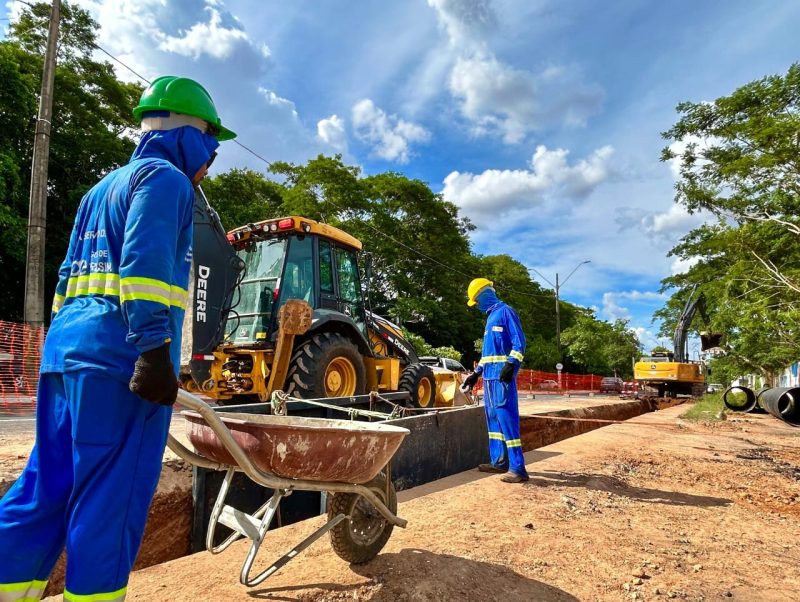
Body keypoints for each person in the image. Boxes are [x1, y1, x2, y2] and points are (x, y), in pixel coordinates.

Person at [0, 76, 235, 602]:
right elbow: (146, 265)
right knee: (111, 498)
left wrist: (62, 347)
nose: (208, 167)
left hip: (65, 358)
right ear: (191, 137)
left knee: (47, 484)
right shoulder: (167, 181)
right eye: (211, 152)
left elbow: (65, 279)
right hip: (122, 365)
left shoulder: (97, 190)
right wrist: (154, 352)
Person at [462, 278, 529, 483]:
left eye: (476, 301)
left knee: (507, 419)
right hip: (489, 379)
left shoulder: (505, 312)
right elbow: (487, 354)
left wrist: (511, 365)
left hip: (502, 378)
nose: (477, 307)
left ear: (484, 295)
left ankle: (518, 469)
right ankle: (498, 462)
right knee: (493, 419)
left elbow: (520, 343)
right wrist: (475, 374)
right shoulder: (490, 319)